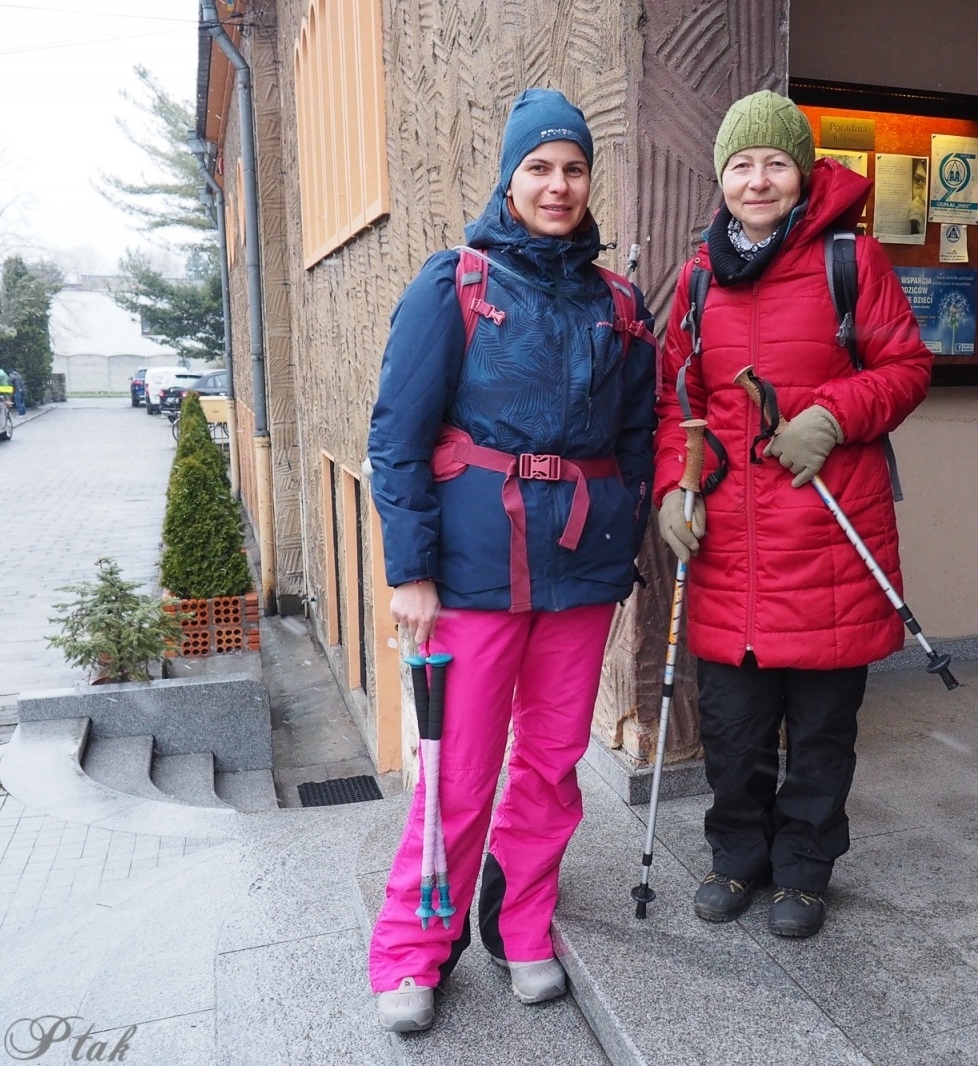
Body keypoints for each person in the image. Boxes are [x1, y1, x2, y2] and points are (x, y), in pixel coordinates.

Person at [365, 88, 656, 1033]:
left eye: (573, 168)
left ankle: (523, 924)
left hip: (582, 569)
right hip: (475, 572)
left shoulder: (620, 303)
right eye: (539, 167)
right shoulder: (455, 283)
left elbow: (640, 434)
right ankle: (414, 951)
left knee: (553, 762)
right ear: (509, 177)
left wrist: (630, 515)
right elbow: (397, 438)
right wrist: (409, 572)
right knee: (459, 768)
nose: (558, 184)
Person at [653, 90, 932, 939]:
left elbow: (909, 366)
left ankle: (805, 871)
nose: (758, 179)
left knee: (819, 736)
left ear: (803, 173)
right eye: (742, 164)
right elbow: (678, 399)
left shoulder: (854, 261)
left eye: (776, 162)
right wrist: (676, 484)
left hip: (829, 545)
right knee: (734, 736)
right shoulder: (701, 276)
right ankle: (738, 859)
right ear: (722, 179)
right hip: (732, 548)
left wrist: (835, 416)